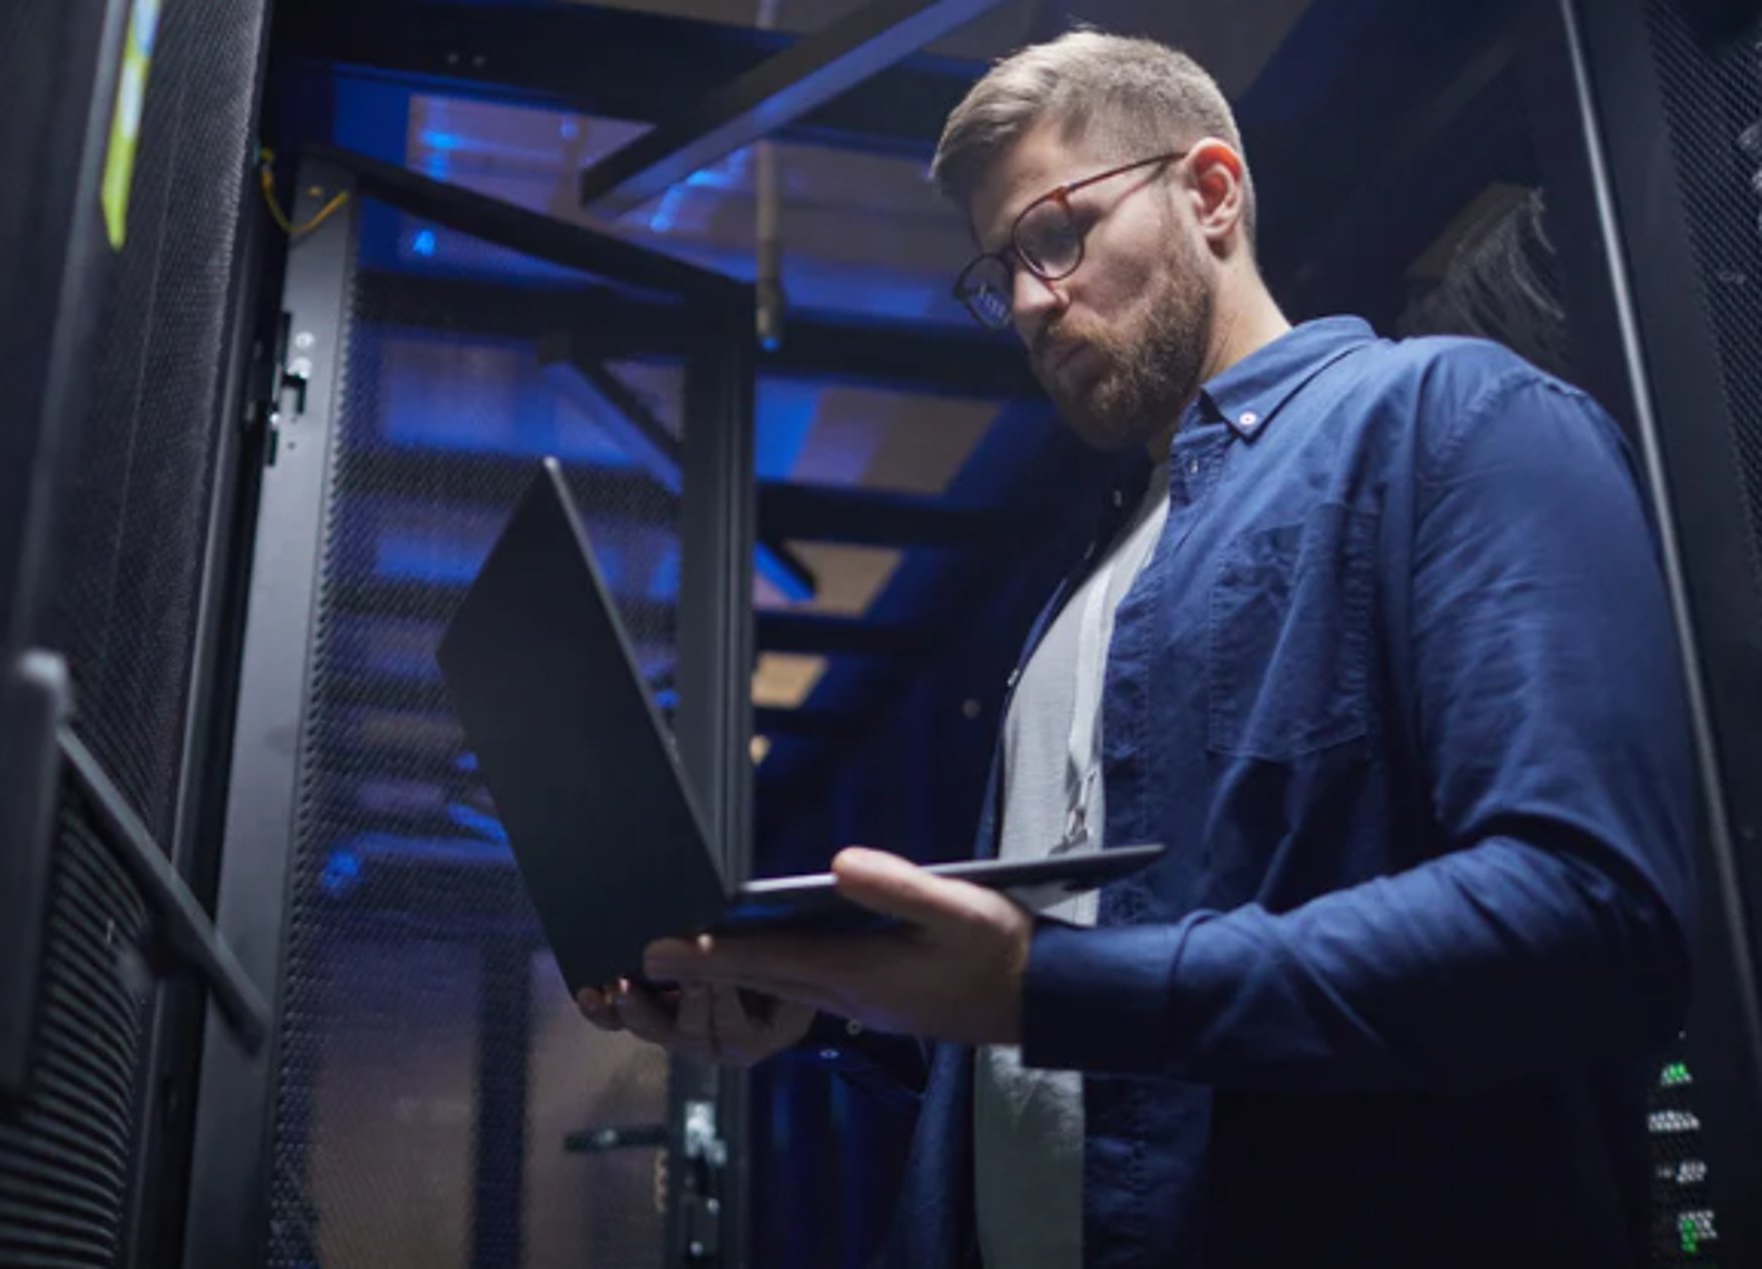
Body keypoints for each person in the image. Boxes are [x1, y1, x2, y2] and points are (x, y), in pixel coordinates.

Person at [577, 29, 1696, 1269]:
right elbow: (1082, 1069)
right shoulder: (1080, 592)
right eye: (996, 270)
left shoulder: (1453, 420)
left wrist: (1047, 987)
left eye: (1055, 236)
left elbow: (1593, 919)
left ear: (1210, 192)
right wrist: (842, 1012)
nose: (1022, 303)